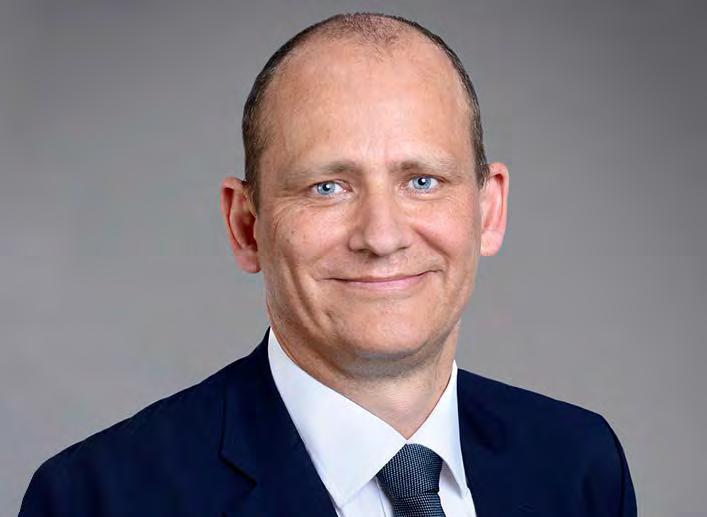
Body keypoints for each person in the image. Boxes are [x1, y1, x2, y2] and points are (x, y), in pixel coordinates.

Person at [19, 12, 636, 517]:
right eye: (328, 187)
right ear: (246, 226)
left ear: (488, 210)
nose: (382, 236)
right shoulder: (97, 499)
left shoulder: (578, 468)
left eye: (422, 181)